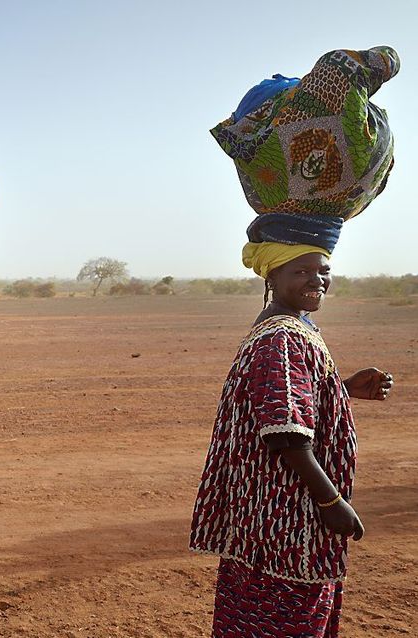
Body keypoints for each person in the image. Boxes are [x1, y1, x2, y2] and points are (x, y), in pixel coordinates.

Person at [191, 46, 399, 638]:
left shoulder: (292, 334)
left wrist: (339, 388)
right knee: (285, 621)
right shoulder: (281, 337)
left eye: (323, 273)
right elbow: (284, 433)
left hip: (274, 525)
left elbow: (290, 400)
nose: (316, 282)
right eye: (302, 272)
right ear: (273, 275)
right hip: (286, 525)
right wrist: (331, 503)